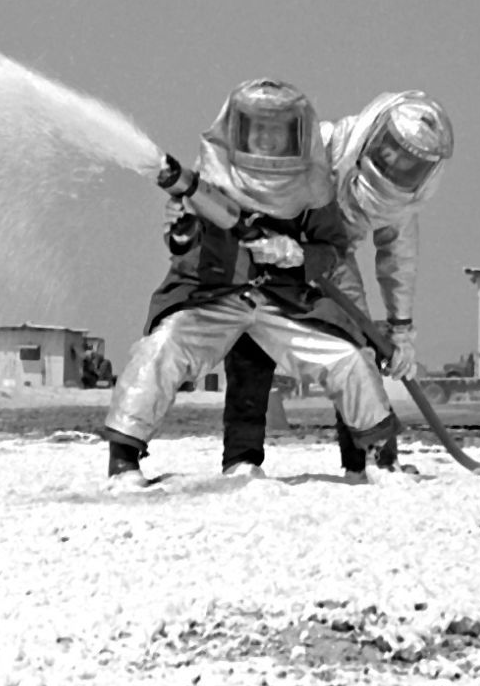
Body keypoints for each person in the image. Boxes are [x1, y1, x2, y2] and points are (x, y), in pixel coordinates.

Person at [100, 79, 400, 483]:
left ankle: (379, 459)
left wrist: (297, 254)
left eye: (276, 131)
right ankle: (124, 461)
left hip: (287, 299)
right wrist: (183, 230)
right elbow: (183, 246)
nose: (266, 139)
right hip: (214, 295)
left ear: (295, 135)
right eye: (258, 129)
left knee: (348, 359)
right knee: (161, 349)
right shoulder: (209, 176)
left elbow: (332, 247)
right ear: (238, 129)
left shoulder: (314, 184)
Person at [213, 89, 455, 478]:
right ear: (375, 133)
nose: (395, 163)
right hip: (271, 246)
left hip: (333, 259)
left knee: (357, 348)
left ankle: (372, 461)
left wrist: (401, 329)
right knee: (250, 344)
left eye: (410, 163)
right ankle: (241, 459)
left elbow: (398, 262)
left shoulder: (402, 204)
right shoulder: (320, 145)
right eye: (392, 151)